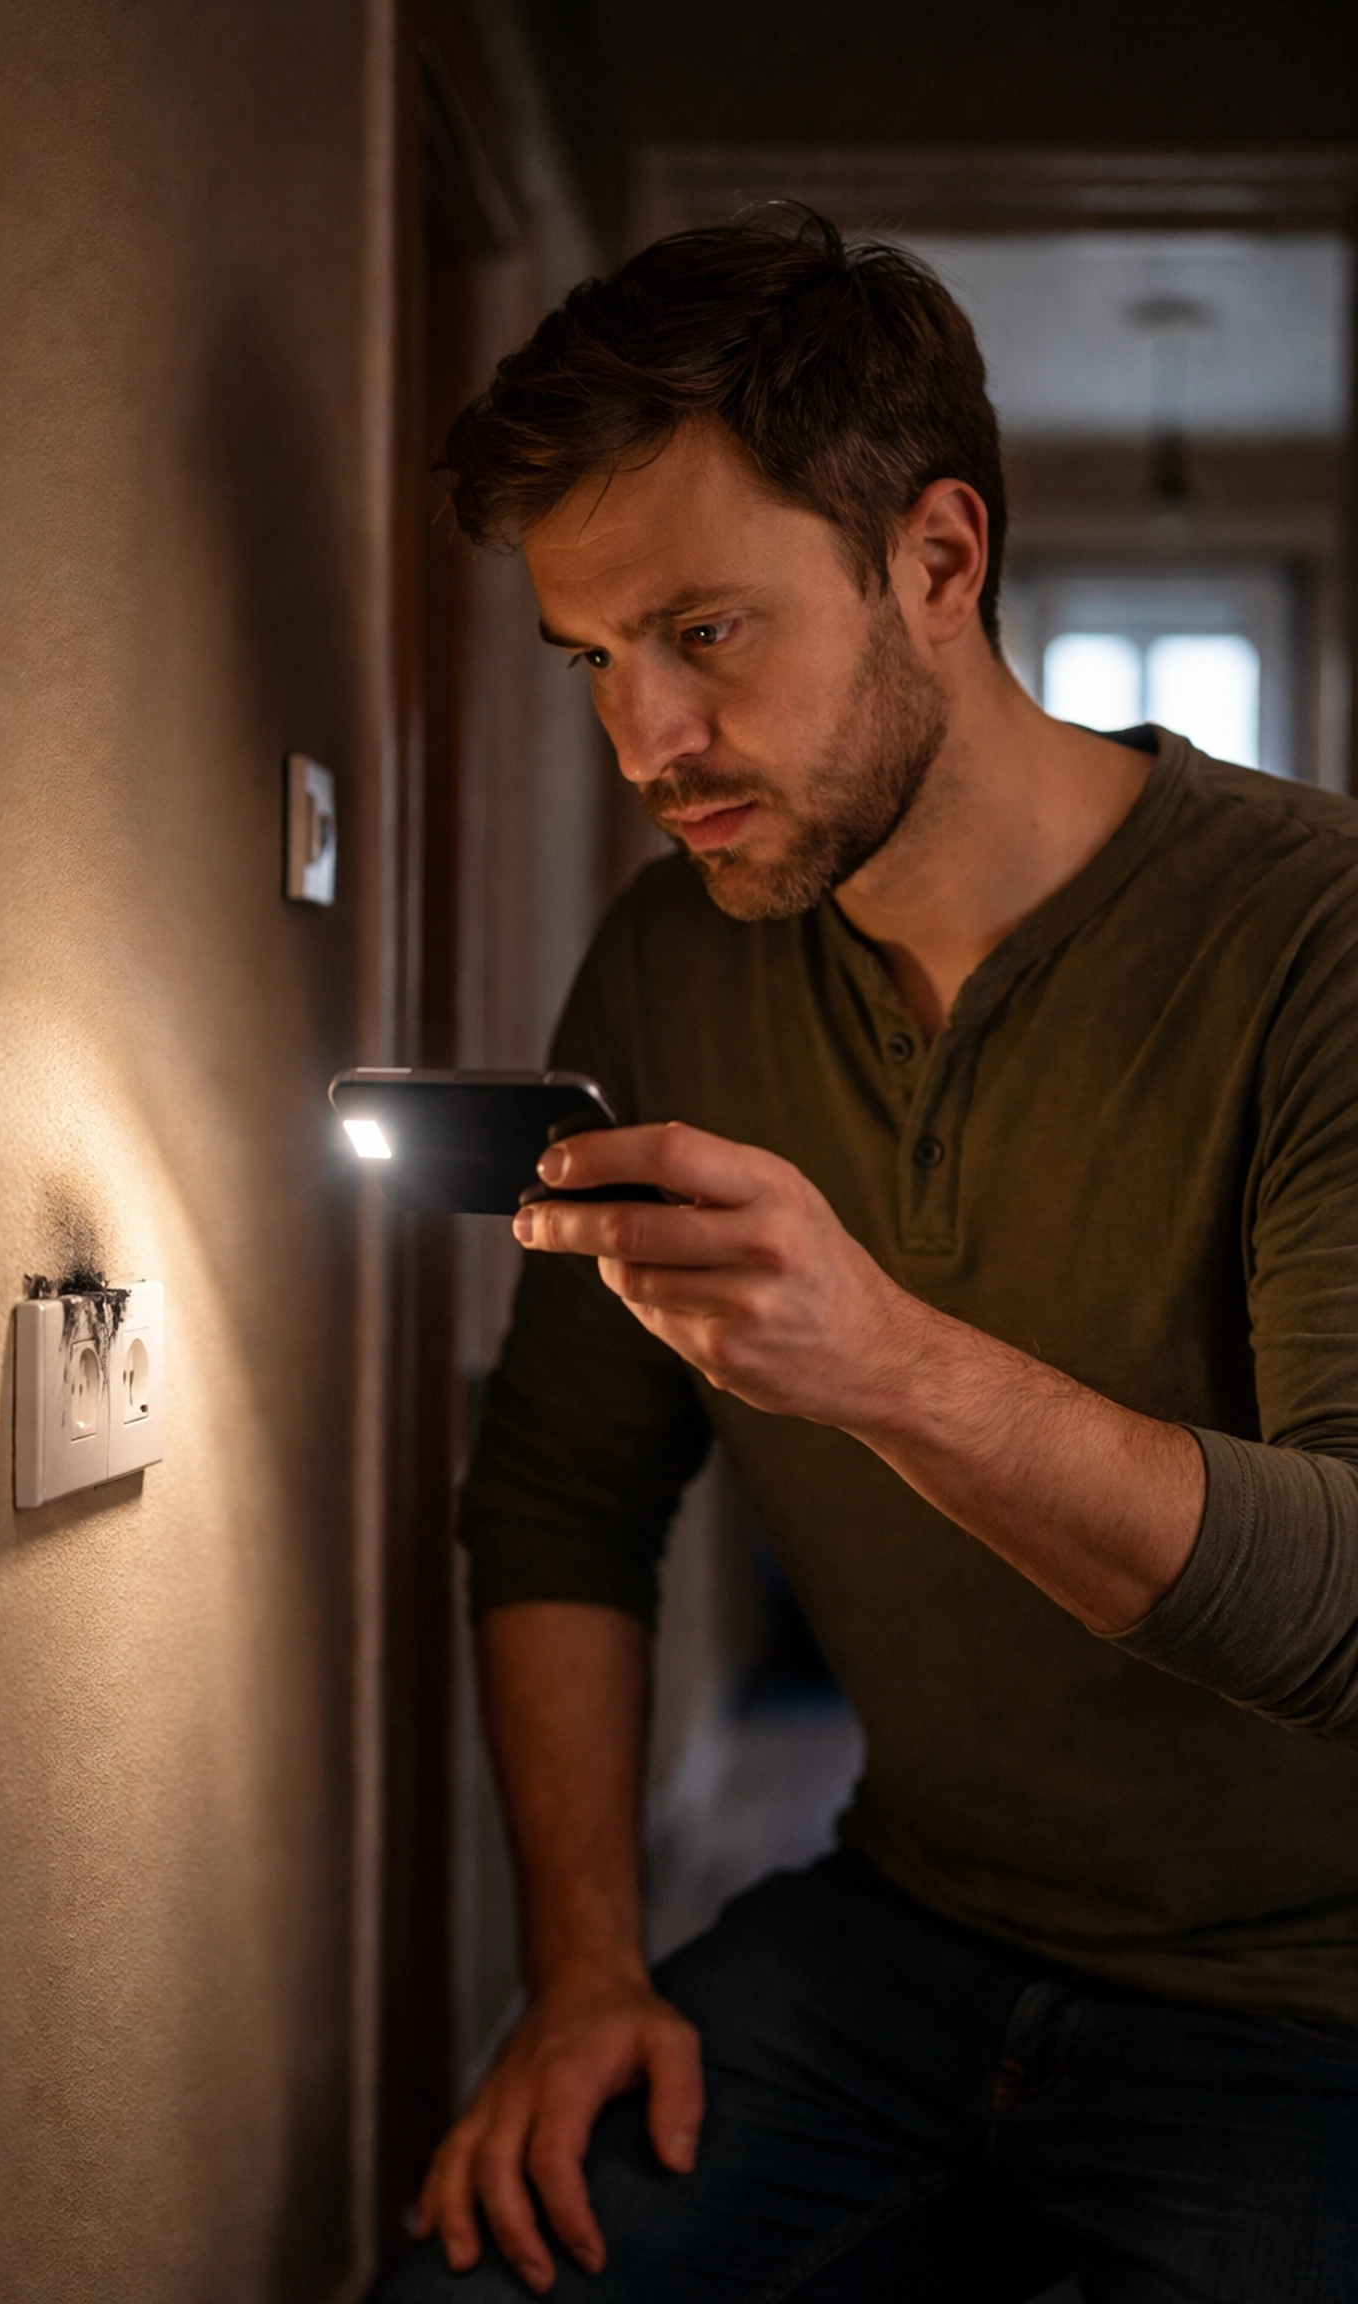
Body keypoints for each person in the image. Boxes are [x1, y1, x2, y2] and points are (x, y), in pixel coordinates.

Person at [378, 213, 1358, 2303]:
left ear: (937, 559)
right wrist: (580, 1972)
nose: (642, 743)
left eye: (705, 634)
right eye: (591, 661)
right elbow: (558, 1501)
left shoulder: (1319, 942)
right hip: (906, 1934)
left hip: (1317, 2007)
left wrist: (887, 1361)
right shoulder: (668, 961)